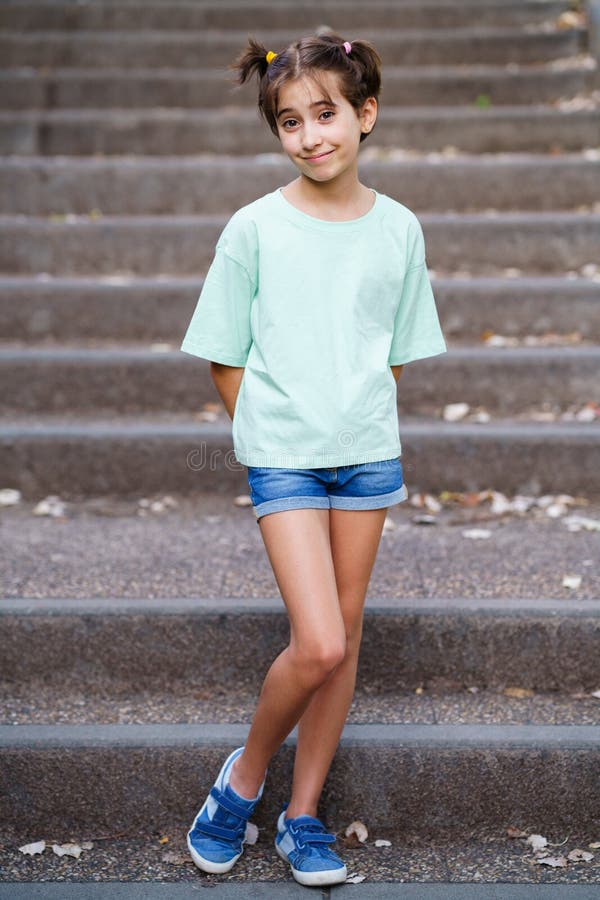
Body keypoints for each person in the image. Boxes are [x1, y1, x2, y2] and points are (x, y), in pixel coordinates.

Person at [180, 31, 447, 888]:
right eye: (290, 122)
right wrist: (271, 433)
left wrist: (354, 413)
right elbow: (223, 352)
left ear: (365, 115)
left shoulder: (399, 229)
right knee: (320, 640)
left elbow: (395, 351)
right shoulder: (254, 228)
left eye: (326, 115)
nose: (310, 136)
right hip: (286, 459)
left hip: (366, 454)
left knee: (347, 636)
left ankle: (302, 817)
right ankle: (242, 779)